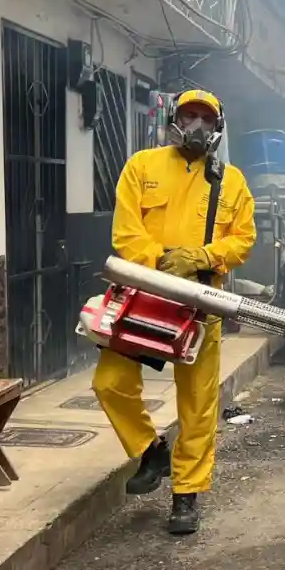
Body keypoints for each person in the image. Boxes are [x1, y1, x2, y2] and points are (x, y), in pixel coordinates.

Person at [92, 89, 257, 535]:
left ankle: (187, 495)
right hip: (143, 296)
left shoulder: (232, 181)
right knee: (109, 383)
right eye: (189, 115)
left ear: (218, 127)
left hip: (202, 305)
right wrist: (165, 263)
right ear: (174, 119)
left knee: (199, 404)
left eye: (206, 117)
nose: (197, 125)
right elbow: (126, 234)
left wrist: (202, 257)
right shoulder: (141, 167)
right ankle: (150, 449)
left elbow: (242, 240)